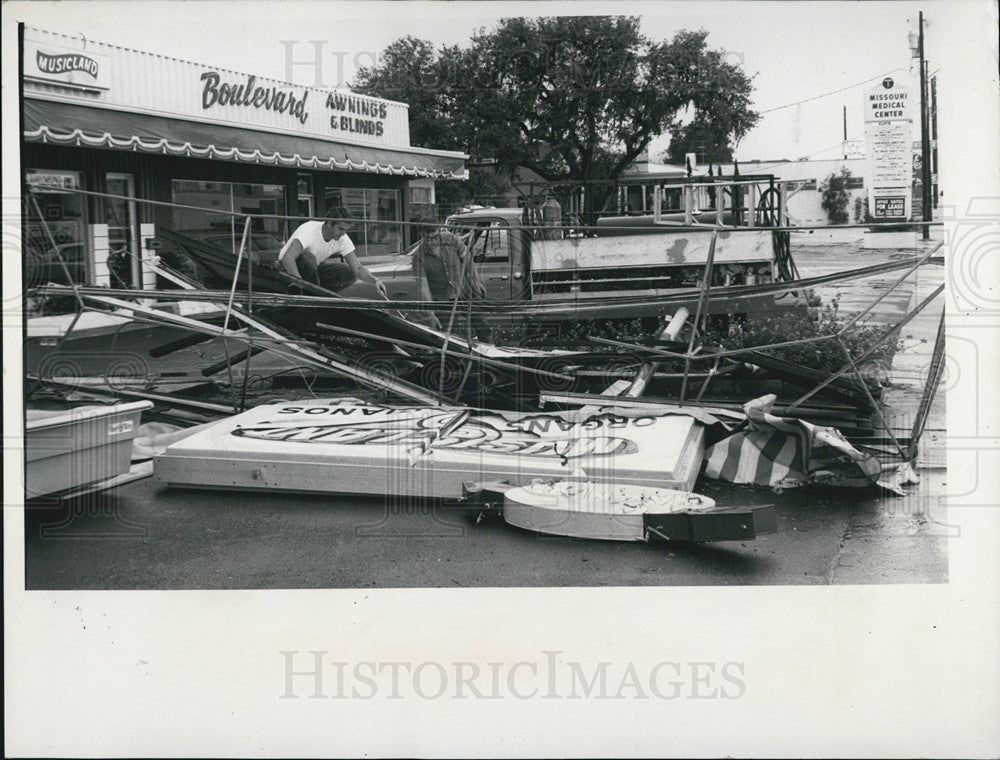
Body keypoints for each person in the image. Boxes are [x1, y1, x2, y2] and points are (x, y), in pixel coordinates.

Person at [410, 212, 488, 339]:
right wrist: (431, 315)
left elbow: (467, 260)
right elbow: (423, 287)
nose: (431, 242)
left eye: (435, 237)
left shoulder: (452, 240)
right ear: (421, 235)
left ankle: (488, 354)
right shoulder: (418, 257)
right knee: (450, 337)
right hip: (442, 299)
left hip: (464, 290)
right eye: (427, 238)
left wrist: (476, 282)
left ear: (439, 231)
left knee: (483, 328)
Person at [278, 205, 386, 297]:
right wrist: (298, 282)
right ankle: (312, 296)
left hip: (312, 271)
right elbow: (287, 258)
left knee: (349, 273)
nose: (343, 233)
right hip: (287, 270)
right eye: (341, 229)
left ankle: (320, 295)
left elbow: (357, 268)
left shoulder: (342, 238)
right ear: (329, 223)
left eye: (346, 230)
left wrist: (375, 280)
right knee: (308, 258)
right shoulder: (309, 229)